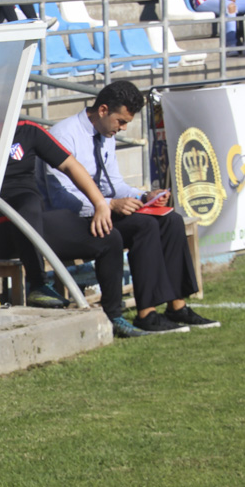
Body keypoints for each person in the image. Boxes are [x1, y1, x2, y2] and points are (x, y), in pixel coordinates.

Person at [41, 80, 219, 333]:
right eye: (121, 122)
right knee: (144, 225)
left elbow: (114, 183)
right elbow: (60, 197)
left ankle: (177, 306)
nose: (123, 128)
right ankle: (147, 314)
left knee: (171, 219)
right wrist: (109, 205)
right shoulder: (63, 135)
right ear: (103, 110)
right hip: (71, 219)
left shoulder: (105, 133)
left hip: (102, 211)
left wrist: (145, 195)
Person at [0, 120, 124, 316]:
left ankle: (114, 316)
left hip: (33, 223)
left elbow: (70, 165)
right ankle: (38, 284)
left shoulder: (26, 129)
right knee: (27, 205)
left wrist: (100, 204)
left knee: (109, 237)